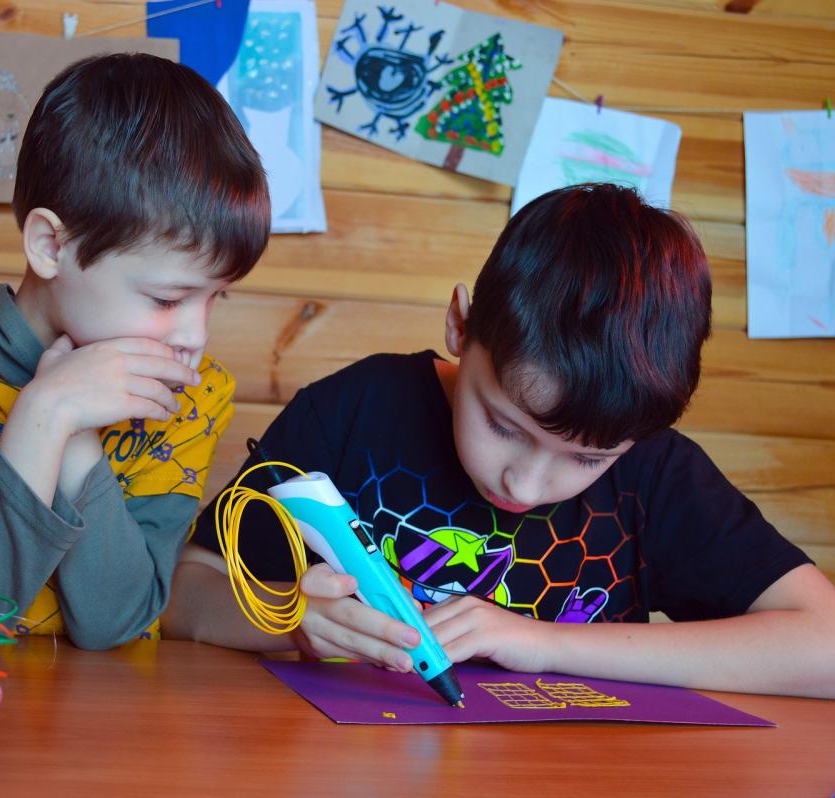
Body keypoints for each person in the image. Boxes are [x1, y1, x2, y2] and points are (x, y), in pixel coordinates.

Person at [164, 184, 835, 698]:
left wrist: (543, 644)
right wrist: (289, 622)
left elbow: (824, 647)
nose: (525, 483)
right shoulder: (357, 410)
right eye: (504, 425)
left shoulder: (657, 473)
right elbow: (183, 596)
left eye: (587, 458)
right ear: (461, 326)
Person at [0, 53, 270, 649]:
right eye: (166, 298)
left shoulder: (193, 395)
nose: (195, 335)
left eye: (217, 298)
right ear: (51, 246)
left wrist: (78, 444)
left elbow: (120, 621)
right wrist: (43, 415)